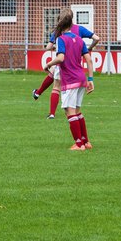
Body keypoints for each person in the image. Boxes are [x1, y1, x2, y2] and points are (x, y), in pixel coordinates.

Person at [43, 9, 95, 150]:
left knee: (69, 111)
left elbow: (61, 58)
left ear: (60, 22)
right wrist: (91, 79)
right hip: (81, 78)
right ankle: (86, 142)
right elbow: (89, 60)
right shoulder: (78, 39)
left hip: (70, 80)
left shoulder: (61, 39)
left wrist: (48, 64)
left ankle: (78, 144)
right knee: (77, 111)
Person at [32, 7, 96, 119]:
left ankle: (51, 113)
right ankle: (37, 92)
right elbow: (97, 38)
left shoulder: (59, 33)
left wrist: (56, 50)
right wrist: (88, 48)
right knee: (76, 107)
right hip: (77, 68)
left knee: (56, 87)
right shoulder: (79, 30)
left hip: (64, 66)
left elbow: (49, 48)